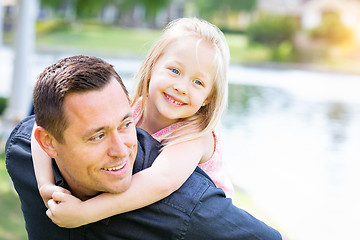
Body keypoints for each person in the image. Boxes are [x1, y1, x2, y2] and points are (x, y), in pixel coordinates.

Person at [6, 55, 282, 239]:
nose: (121, 149)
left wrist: (85, 213)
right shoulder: (23, 153)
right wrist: (45, 185)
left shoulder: (185, 207)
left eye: (126, 125)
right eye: (97, 136)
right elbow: (34, 131)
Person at [31, 17, 235, 227]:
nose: (182, 87)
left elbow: (161, 182)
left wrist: (84, 212)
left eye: (198, 82)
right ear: (152, 67)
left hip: (202, 225)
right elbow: (41, 125)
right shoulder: (130, 107)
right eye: (174, 71)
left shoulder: (196, 134)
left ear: (208, 98)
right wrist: (46, 185)